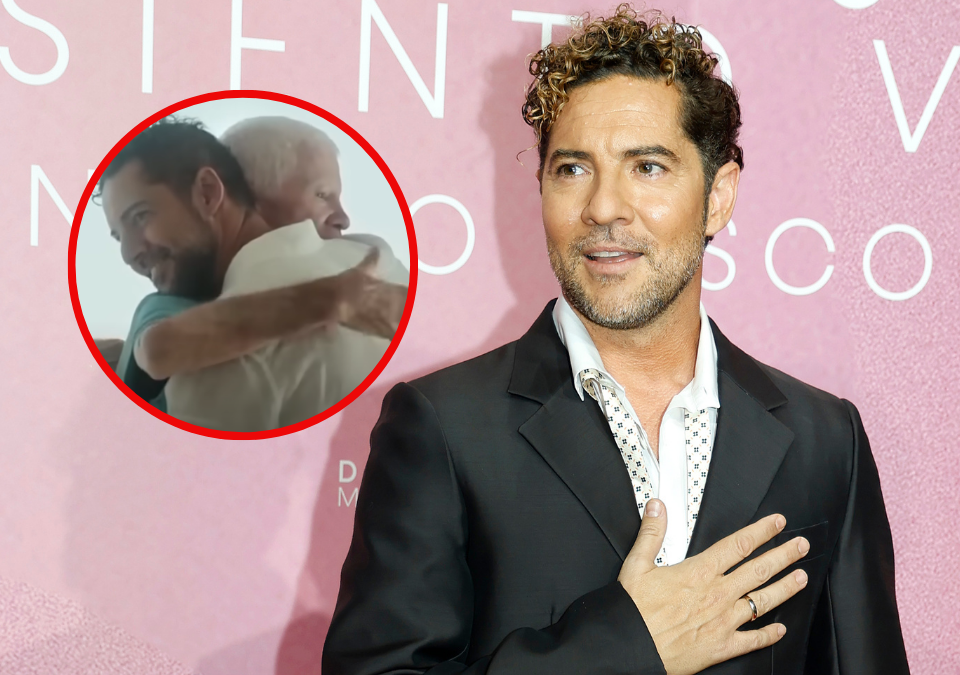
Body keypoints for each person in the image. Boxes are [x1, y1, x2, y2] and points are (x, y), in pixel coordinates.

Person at [324, 6, 908, 675]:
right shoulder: (445, 427)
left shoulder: (824, 438)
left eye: (648, 167)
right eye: (572, 169)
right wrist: (626, 646)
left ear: (718, 196)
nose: (603, 207)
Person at [100, 118, 408, 432]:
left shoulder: (210, 363)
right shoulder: (380, 259)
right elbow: (157, 347)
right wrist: (330, 299)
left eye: (140, 217)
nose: (128, 254)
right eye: (118, 236)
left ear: (208, 193)